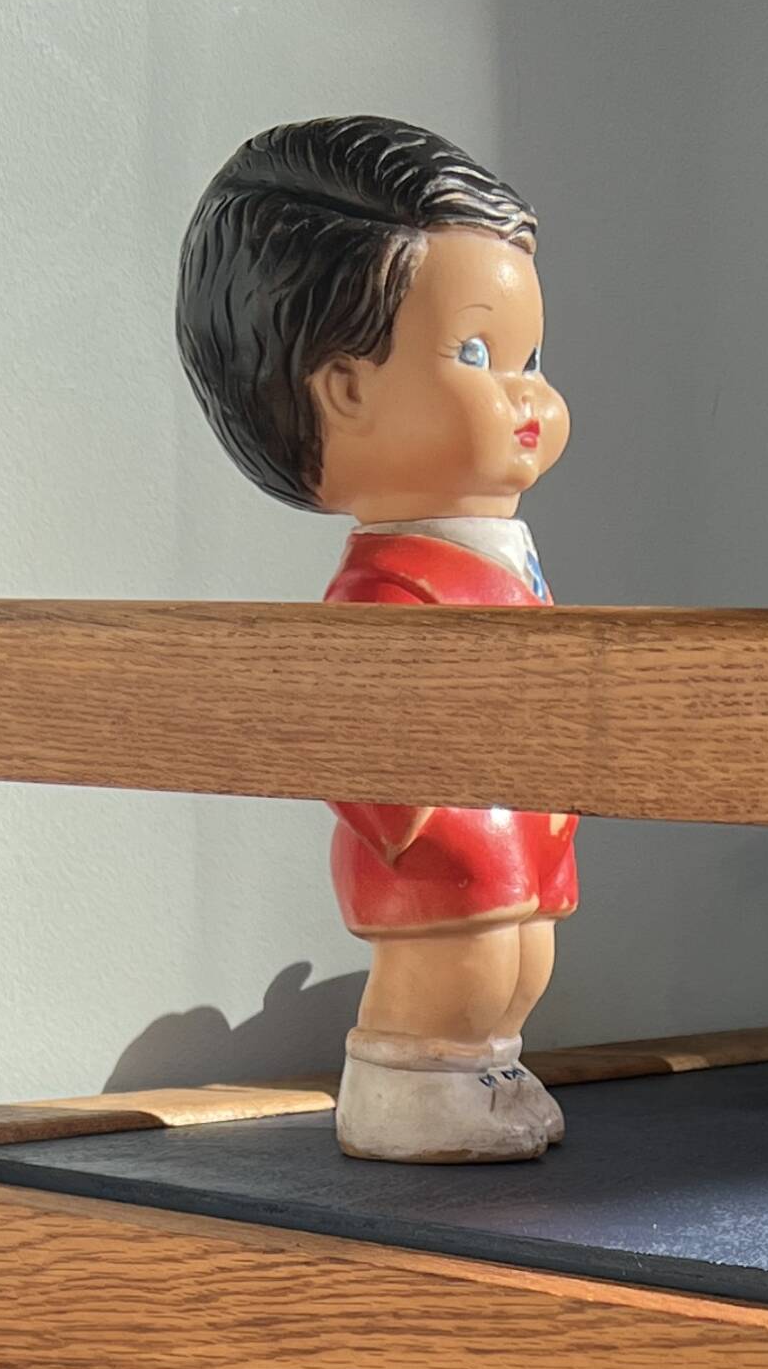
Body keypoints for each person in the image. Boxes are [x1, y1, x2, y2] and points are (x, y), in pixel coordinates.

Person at [178, 115, 576, 1161]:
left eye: (532, 358)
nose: (528, 394)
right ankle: (412, 1083)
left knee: (520, 963)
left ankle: (490, 1065)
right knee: (459, 966)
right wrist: (425, 822)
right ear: (344, 391)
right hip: (447, 833)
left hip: (521, 811)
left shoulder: (501, 560)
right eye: (481, 354)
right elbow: (349, 728)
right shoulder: (385, 589)